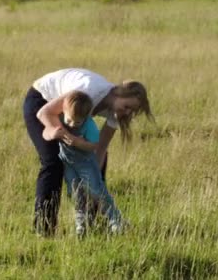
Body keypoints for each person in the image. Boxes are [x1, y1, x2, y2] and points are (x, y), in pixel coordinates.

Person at [22, 68, 153, 237]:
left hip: (67, 116)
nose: (127, 113)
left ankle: (91, 221)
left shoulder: (116, 112)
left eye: (132, 111)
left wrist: (92, 176)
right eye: (127, 106)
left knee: (97, 164)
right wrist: (66, 136)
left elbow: (100, 147)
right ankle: (44, 229)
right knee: (54, 162)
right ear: (119, 93)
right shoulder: (89, 91)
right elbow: (45, 113)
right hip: (42, 101)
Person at [58, 91, 123, 237]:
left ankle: (114, 218)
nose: (73, 125)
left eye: (78, 122)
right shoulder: (60, 118)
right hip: (68, 162)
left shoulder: (89, 126)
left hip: (86, 162)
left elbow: (94, 145)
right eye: (69, 121)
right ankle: (81, 221)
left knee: (95, 189)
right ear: (63, 111)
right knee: (74, 189)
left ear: (86, 117)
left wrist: (78, 143)